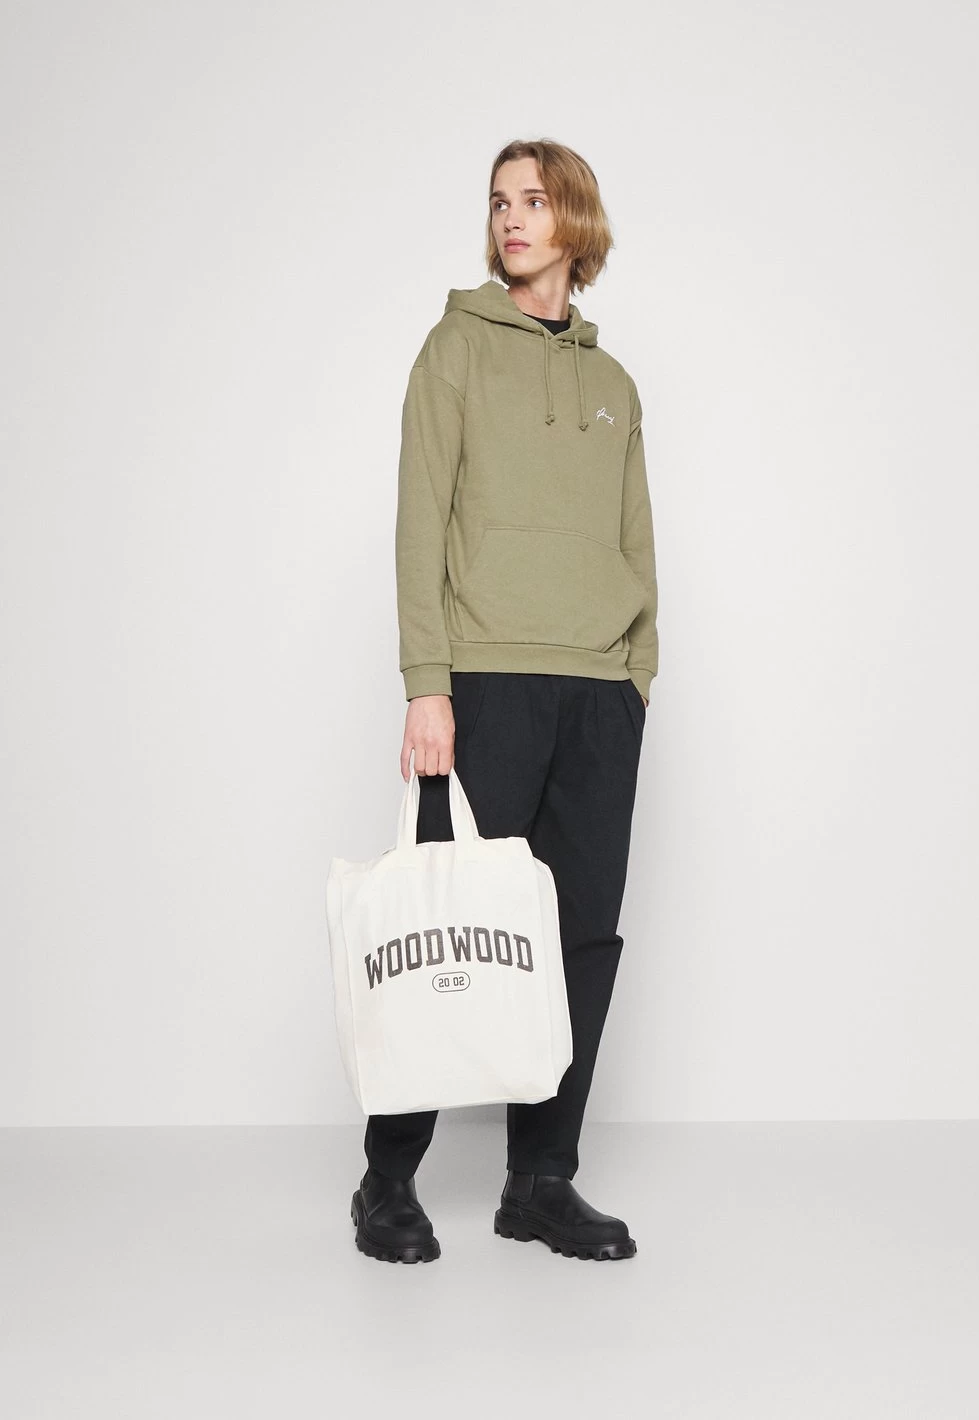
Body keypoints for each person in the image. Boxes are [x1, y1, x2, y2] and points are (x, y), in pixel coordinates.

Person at [350, 137, 658, 1264]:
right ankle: (386, 1180)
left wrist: (636, 674)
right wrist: (427, 685)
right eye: (498, 203)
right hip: (485, 679)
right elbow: (418, 521)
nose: (511, 219)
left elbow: (636, 539)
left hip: (600, 692)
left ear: (576, 222)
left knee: (579, 941)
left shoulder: (614, 387)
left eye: (532, 201)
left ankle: (540, 1180)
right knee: (447, 928)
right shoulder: (454, 350)